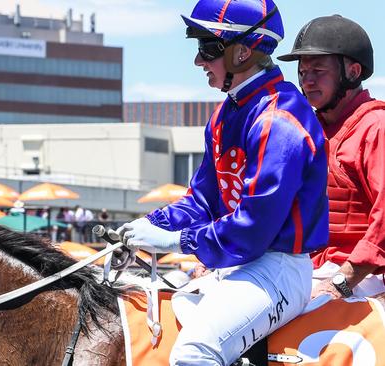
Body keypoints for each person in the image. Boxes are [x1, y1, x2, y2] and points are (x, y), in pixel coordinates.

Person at [116, 1, 329, 365]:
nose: (199, 61)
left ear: (243, 52)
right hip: (239, 266)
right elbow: (201, 201)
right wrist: (150, 225)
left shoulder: (279, 120)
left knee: (195, 350)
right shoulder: (224, 115)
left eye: (207, 48)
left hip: (279, 270)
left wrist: (174, 241)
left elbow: (252, 229)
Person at [278, 15, 385, 299]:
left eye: (318, 70)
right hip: (309, 267)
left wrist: (342, 281)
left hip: (363, 277)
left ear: (353, 71)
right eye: (302, 72)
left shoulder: (376, 126)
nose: (307, 80)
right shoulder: (305, 129)